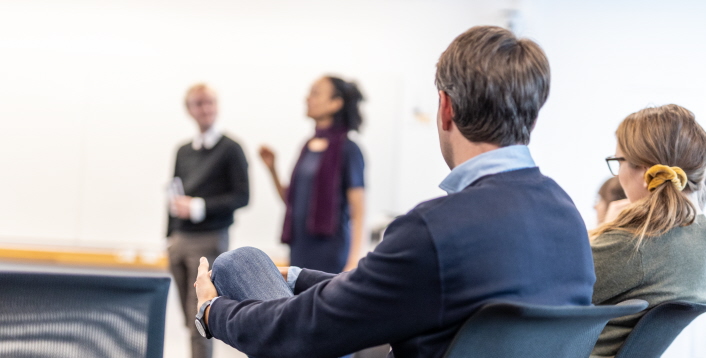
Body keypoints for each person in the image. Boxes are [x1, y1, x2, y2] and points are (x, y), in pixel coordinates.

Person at [194, 26, 596, 358]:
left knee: (237, 263)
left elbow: (306, 333)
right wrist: (297, 276)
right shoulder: (567, 216)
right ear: (533, 111)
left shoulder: (436, 228)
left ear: (446, 107)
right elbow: (392, 290)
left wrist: (213, 311)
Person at [590, 104, 706, 357]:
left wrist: (603, 231)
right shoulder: (702, 234)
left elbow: (545, 284)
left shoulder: (635, 243)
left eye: (618, 161)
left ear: (645, 171)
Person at [167, 83, 249, 358]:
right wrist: (170, 235)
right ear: (189, 109)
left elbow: (242, 196)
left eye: (210, 102)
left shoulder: (231, 149)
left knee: (200, 318)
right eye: (199, 103)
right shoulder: (183, 151)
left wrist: (199, 207)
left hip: (209, 239)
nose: (205, 108)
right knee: (186, 317)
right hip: (179, 240)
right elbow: (174, 193)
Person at [258, 76, 366, 273]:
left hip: (331, 255)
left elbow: (358, 212)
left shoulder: (348, 149)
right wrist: (272, 169)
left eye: (316, 93)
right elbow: (290, 200)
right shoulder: (307, 147)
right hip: (299, 250)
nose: (308, 98)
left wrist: (352, 263)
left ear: (336, 103)